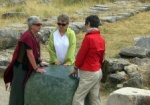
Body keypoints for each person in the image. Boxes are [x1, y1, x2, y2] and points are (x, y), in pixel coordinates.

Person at [3, 16, 48, 105]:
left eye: (41, 24)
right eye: (38, 24)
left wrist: (39, 61)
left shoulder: (36, 36)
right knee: (17, 92)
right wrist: (36, 68)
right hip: (21, 67)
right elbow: (30, 54)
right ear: (31, 26)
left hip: (27, 66)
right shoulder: (27, 36)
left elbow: (36, 51)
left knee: (25, 90)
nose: (40, 26)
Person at [69, 15, 105, 105]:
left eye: (85, 24)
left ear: (88, 24)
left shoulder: (89, 38)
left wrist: (76, 67)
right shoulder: (101, 39)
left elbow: (81, 55)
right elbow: (102, 57)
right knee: (94, 97)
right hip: (98, 71)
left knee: (78, 99)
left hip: (89, 72)